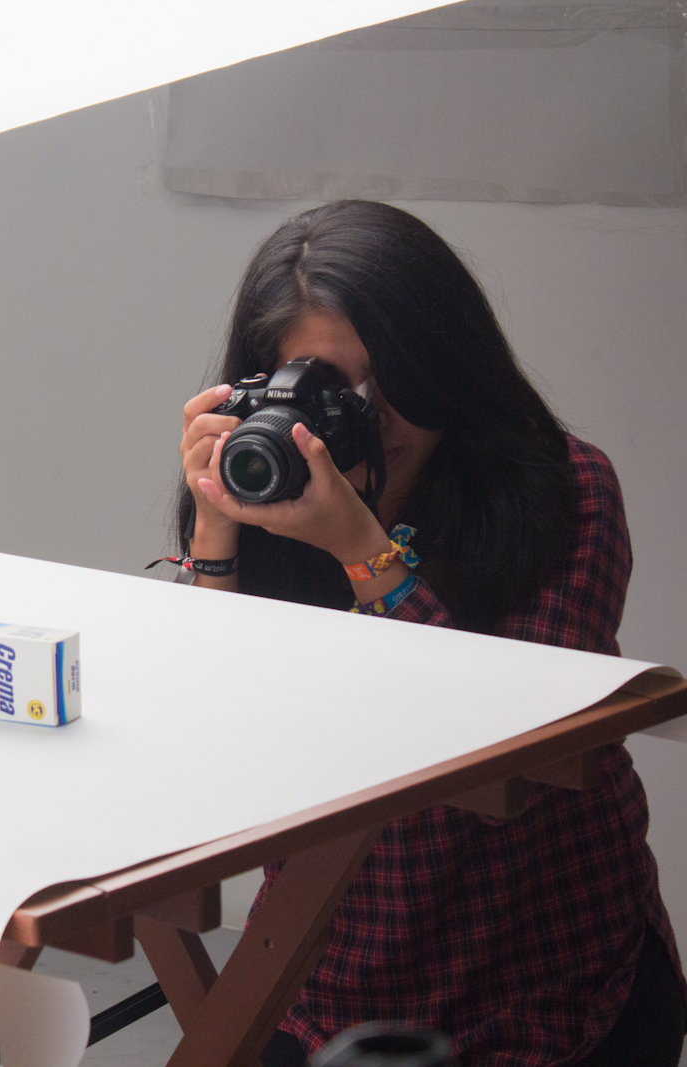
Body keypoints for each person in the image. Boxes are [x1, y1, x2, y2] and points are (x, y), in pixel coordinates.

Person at [173, 200, 686, 1066]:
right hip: (328, 966)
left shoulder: (567, 492)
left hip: (552, 979)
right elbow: (204, 737)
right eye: (325, 389)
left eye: (389, 383)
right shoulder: (269, 501)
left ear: (447, 363)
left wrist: (364, 552)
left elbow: (514, 758)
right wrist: (215, 533)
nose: (365, 418)